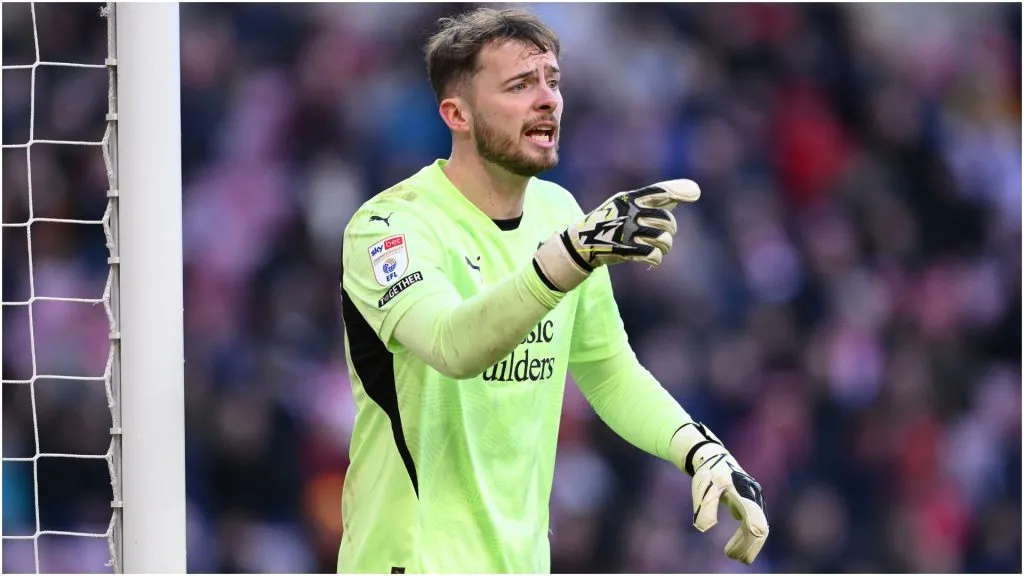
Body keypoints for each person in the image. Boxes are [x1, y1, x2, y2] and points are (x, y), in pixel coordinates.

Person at [337, 7, 768, 573]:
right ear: (457, 114)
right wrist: (568, 259)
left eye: (552, 81)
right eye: (520, 85)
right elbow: (451, 346)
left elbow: (609, 371)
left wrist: (698, 448)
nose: (548, 100)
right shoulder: (390, 227)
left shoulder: (558, 213)